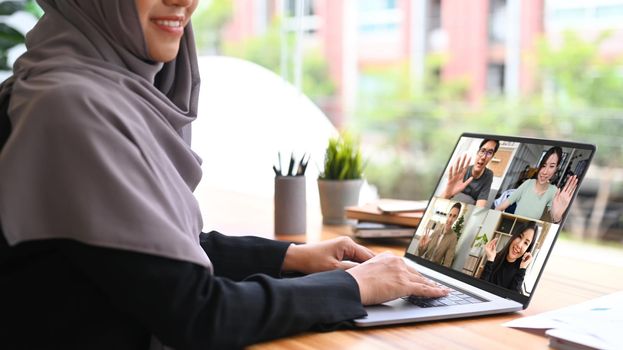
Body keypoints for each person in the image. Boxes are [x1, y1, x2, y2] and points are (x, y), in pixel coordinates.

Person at [0, 1, 447, 349]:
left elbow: (144, 258)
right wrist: (353, 285)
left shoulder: (67, 83)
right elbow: (197, 314)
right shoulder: (72, 107)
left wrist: (293, 256)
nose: (184, 1)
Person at [495, 146, 578, 223]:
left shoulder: (553, 191)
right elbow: (500, 207)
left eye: (551, 166)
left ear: (556, 168)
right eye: (544, 165)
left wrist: (557, 216)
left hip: (528, 233)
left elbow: (554, 218)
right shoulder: (527, 184)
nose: (545, 172)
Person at [479, 221, 538, 293]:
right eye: (519, 237)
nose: (519, 245)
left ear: (528, 249)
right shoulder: (495, 257)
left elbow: (512, 299)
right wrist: (490, 259)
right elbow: (480, 288)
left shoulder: (519, 271)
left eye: (526, 243)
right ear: (514, 236)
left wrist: (522, 269)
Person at [441, 139, 499, 207]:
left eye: (489, 153)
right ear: (477, 152)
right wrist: (448, 194)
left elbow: (479, 207)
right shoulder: (462, 172)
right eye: (482, 151)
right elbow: (440, 200)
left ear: (492, 156)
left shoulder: (489, 175)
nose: (483, 157)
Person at [417, 202, 462, 268]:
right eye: (450, 215)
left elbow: (447, 263)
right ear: (447, 214)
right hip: (424, 264)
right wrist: (421, 246)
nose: (450, 219)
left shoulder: (453, 237)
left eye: (454, 216)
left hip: (435, 268)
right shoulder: (436, 231)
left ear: (456, 218)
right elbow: (420, 253)